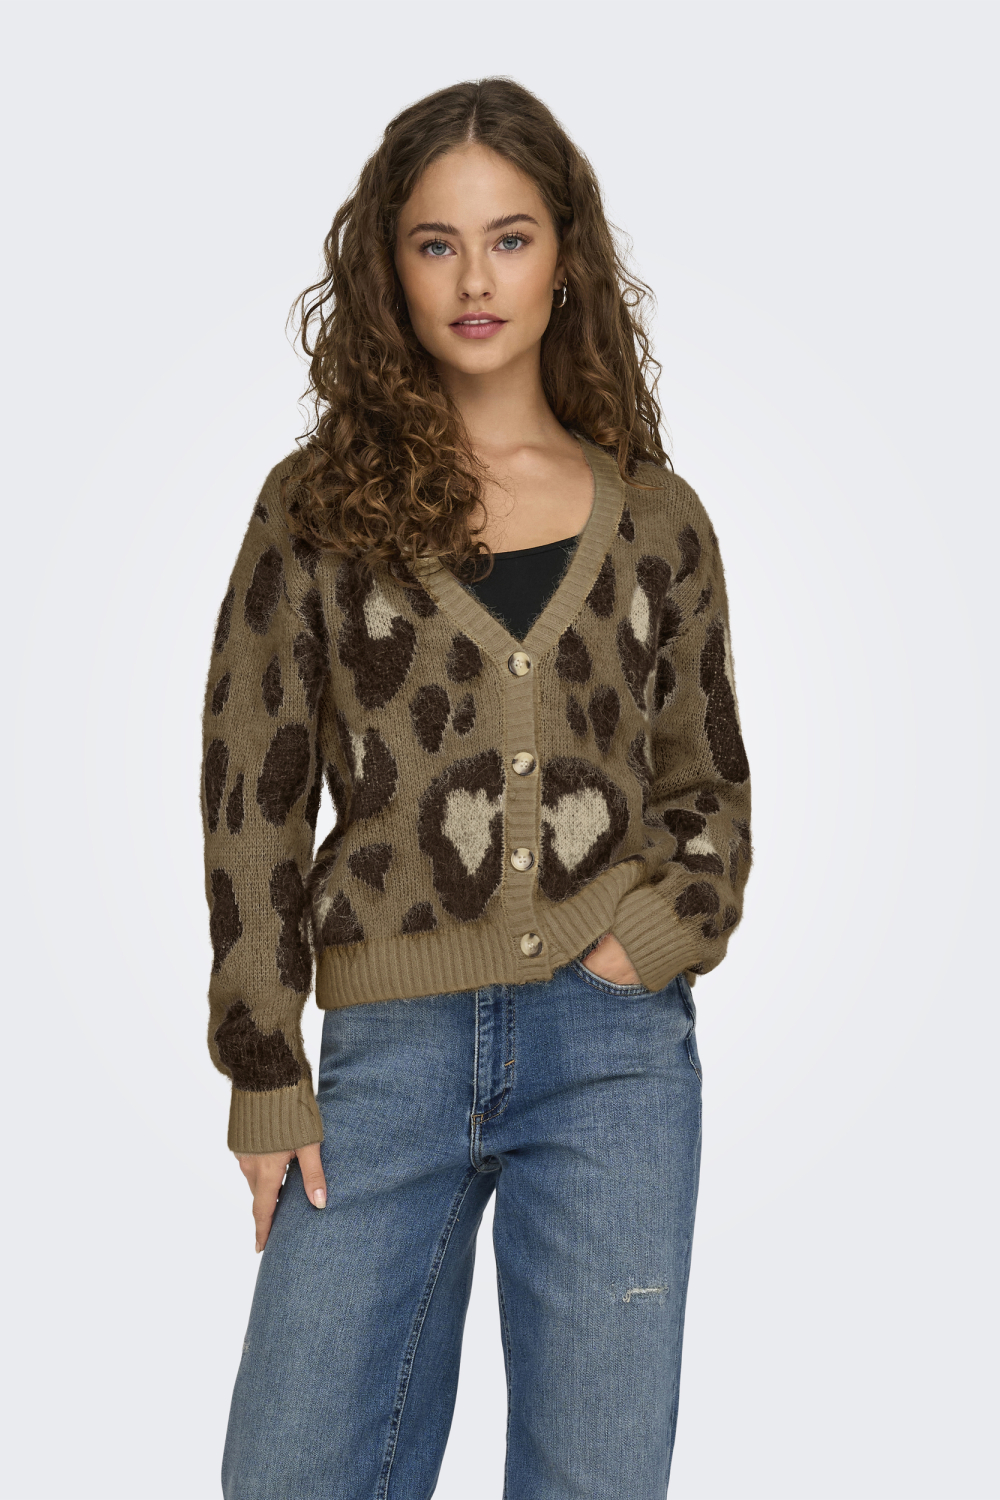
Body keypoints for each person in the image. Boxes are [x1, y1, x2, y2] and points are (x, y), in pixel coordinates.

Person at [201, 76, 752, 1500]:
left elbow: (707, 786)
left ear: (565, 256)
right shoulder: (316, 509)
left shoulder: (656, 519)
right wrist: (264, 1068)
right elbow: (253, 789)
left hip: (611, 1053)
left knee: (595, 1478)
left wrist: (654, 938)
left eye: (509, 239)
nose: (474, 280)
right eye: (435, 243)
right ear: (389, 266)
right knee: (291, 1471)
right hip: (387, 1053)